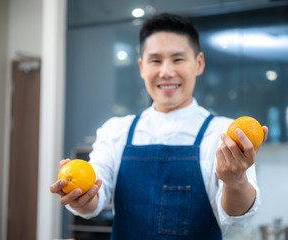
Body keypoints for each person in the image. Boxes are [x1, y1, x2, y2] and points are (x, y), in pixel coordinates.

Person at [50, 12, 268, 239]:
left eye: (178, 59)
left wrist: (235, 181)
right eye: (155, 60)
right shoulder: (116, 131)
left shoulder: (225, 134)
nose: (166, 72)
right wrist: (80, 198)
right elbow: (95, 198)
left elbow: (237, 216)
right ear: (142, 67)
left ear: (199, 63)